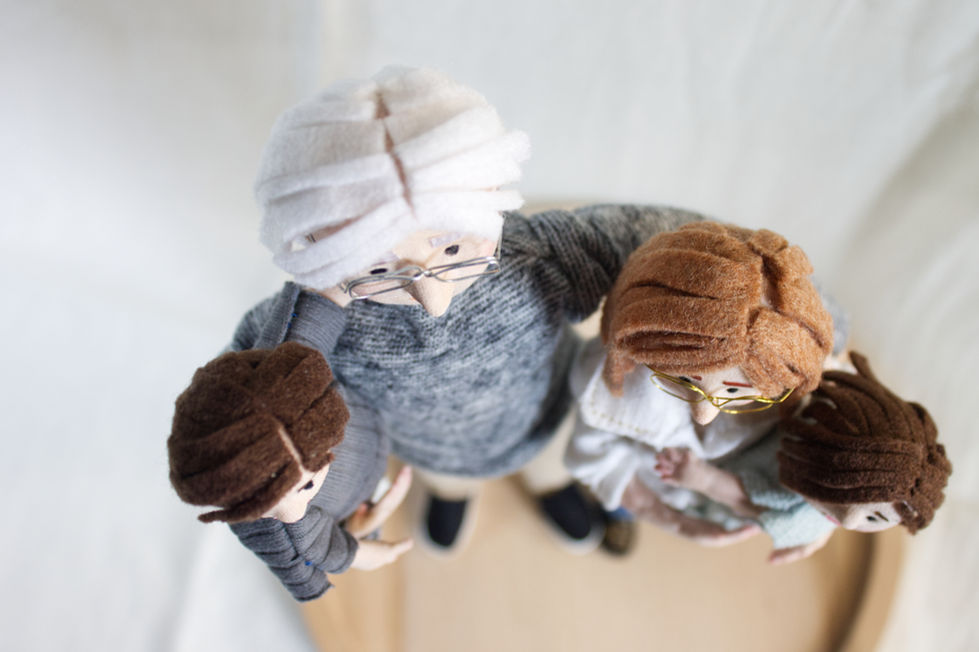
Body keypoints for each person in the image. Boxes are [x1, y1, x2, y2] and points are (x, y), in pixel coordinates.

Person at [233, 65, 708, 557]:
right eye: (378, 270)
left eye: (454, 250)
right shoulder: (320, 319)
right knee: (446, 479)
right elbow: (240, 400)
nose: (432, 299)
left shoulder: (536, 256)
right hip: (429, 450)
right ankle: (453, 492)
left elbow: (667, 242)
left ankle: (551, 485)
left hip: (546, 417)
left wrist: (745, 287)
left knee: (552, 463)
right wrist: (313, 542)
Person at [564, 221, 843, 556]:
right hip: (646, 473)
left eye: (735, 392)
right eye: (683, 380)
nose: (704, 414)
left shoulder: (791, 376)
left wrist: (830, 512)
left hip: (711, 487)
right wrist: (661, 515)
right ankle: (620, 509)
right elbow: (595, 453)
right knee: (613, 486)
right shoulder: (615, 382)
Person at [653, 352, 952, 563]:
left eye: (874, 519)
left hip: (714, 494)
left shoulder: (802, 515)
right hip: (754, 444)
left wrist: (703, 479)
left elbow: (746, 500)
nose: (848, 521)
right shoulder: (831, 426)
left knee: (664, 487)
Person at [168, 342, 412, 600]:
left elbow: (316, 319)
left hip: (372, 410)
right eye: (268, 508)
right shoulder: (259, 526)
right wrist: (354, 543)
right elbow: (304, 578)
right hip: (353, 504)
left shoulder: (280, 366)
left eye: (305, 486)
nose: (290, 517)